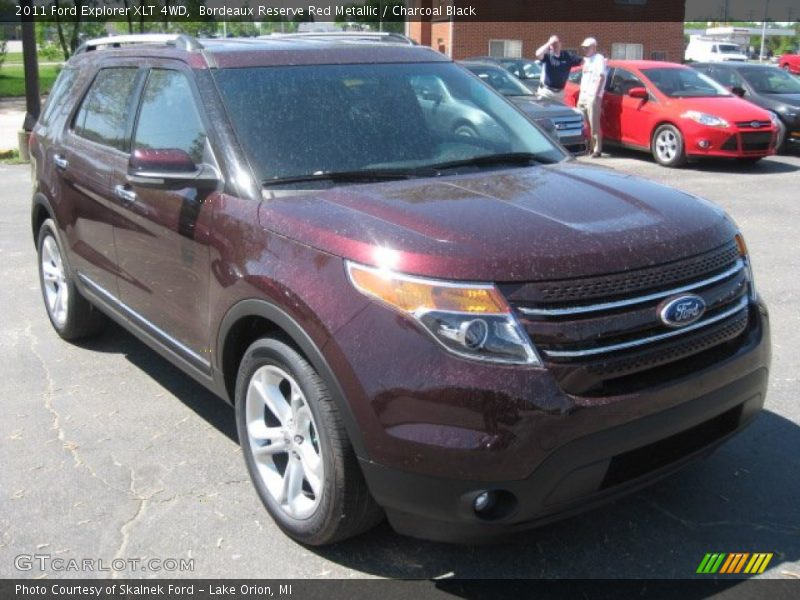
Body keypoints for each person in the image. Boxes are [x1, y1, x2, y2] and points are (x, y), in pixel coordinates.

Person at [577, 37, 606, 158]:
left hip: (592, 96)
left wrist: (596, 94)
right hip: (583, 95)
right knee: (584, 123)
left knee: (594, 124)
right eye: (584, 47)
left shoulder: (598, 59)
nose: (585, 49)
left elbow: (601, 77)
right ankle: (588, 146)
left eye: (587, 47)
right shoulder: (586, 60)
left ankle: (597, 149)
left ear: (594, 47)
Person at [534, 35, 583, 102]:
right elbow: (538, 54)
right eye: (553, 43)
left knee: (558, 112)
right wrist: (549, 42)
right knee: (544, 112)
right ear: (550, 46)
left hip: (560, 93)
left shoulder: (567, 56)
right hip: (546, 92)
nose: (555, 45)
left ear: (560, 44)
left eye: (557, 42)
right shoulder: (548, 56)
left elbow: (583, 61)